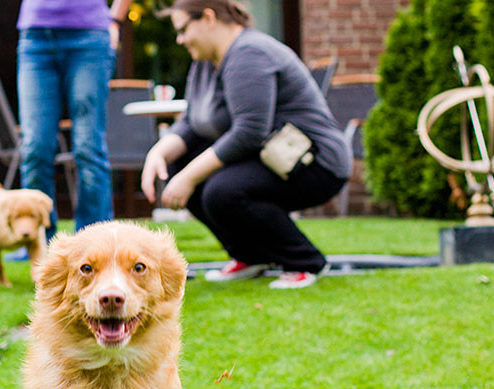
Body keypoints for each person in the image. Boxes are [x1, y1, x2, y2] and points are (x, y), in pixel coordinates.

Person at [142, 0, 352, 289]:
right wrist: (159, 153)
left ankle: (305, 262)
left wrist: (189, 177)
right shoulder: (205, 62)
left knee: (222, 190)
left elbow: (250, 132)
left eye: (182, 29)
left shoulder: (249, 53)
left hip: (315, 162)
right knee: (181, 164)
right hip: (270, 158)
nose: (179, 40)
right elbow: (192, 121)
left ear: (208, 18)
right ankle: (251, 257)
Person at [14, 0, 133, 255]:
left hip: (89, 36)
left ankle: (95, 245)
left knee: (88, 148)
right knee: (35, 147)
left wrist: (116, 19)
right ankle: (37, 244)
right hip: (35, 37)